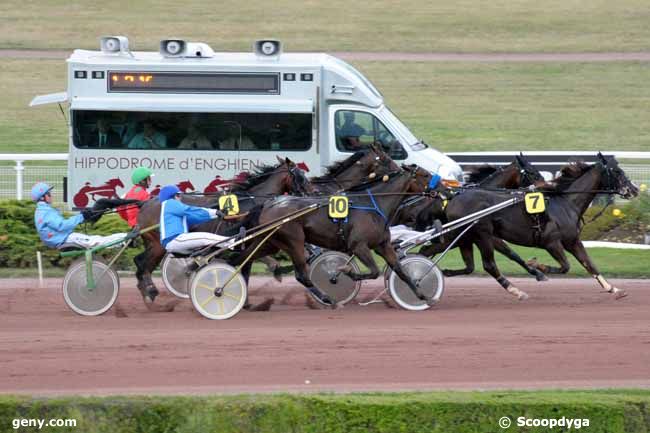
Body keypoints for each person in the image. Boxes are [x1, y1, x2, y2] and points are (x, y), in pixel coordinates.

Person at [32, 182, 126, 249]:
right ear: (42, 197)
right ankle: (125, 238)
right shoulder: (46, 212)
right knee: (96, 241)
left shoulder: (41, 211)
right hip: (64, 239)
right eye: (49, 194)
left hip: (61, 238)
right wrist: (81, 217)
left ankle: (122, 241)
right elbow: (62, 226)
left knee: (95, 239)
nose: (51, 196)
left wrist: (81, 216)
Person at [159, 185, 232, 254]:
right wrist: (215, 212)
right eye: (178, 195)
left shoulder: (173, 210)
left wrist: (216, 214)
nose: (181, 198)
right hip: (174, 240)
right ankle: (233, 243)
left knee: (205, 246)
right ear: (172, 196)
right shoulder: (169, 203)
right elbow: (191, 210)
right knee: (205, 237)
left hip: (175, 242)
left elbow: (196, 217)